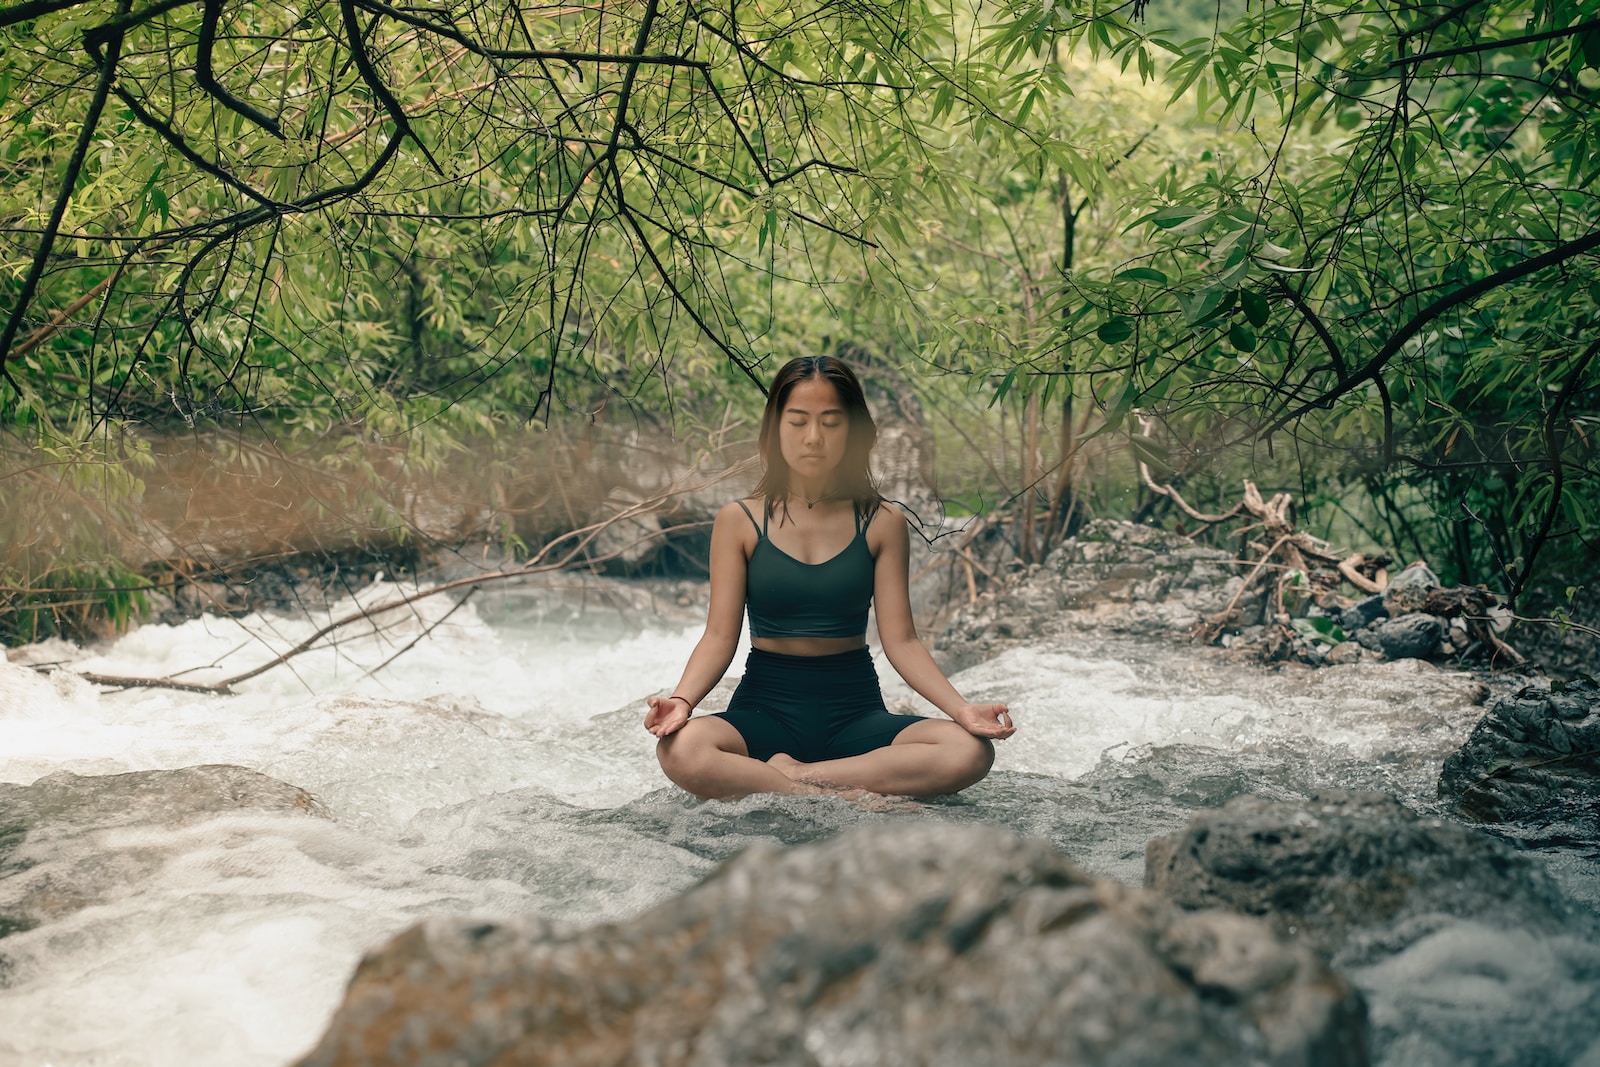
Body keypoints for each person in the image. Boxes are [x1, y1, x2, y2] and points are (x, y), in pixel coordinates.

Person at [644, 355, 1015, 799]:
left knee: (969, 752)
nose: (814, 438)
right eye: (797, 421)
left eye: (832, 423)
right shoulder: (738, 520)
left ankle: (796, 778)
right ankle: (835, 793)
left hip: (854, 712)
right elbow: (720, 635)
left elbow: (902, 642)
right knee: (681, 749)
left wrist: (962, 710)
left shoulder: (882, 521)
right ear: (775, 429)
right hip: (765, 709)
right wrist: (682, 701)